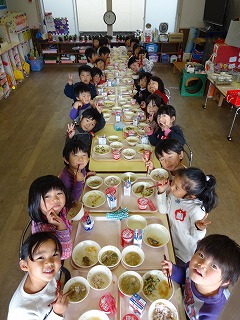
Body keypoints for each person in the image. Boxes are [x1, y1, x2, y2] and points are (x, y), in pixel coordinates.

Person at [161, 234, 240, 320]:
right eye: (201, 255)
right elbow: (185, 274)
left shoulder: (214, 313)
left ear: (226, 281)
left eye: (214, 266)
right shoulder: (196, 271)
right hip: (179, 304)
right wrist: (173, 271)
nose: (202, 264)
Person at [157, 167, 218, 264]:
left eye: (176, 187)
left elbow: (196, 238)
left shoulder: (196, 210)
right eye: (173, 182)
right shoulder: (175, 195)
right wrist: (161, 192)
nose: (171, 187)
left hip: (183, 252)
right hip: (169, 240)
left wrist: (200, 229)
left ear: (191, 196)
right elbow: (163, 210)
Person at [7, 232, 69, 320]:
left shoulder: (43, 274)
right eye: (40, 257)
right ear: (25, 266)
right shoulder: (21, 312)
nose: (50, 262)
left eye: (55, 254)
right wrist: (57, 313)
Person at [28, 175, 73, 260]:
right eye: (47, 196)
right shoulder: (42, 230)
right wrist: (61, 227)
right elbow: (64, 255)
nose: (56, 199)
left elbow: (69, 207)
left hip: (72, 238)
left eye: (59, 193)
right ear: (36, 202)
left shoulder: (59, 208)